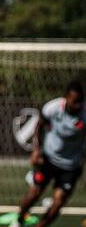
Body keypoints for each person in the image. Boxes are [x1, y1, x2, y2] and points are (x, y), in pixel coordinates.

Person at [10, 80, 86, 227]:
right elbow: (39, 126)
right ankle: (18, 220)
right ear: (66, 98)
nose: (78, 105)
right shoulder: (52, 108)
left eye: (80, 101)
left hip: (70, 166)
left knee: (58, 202)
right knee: (34, 193)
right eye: (75, 101)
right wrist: (36, 150)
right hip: (49, 160)